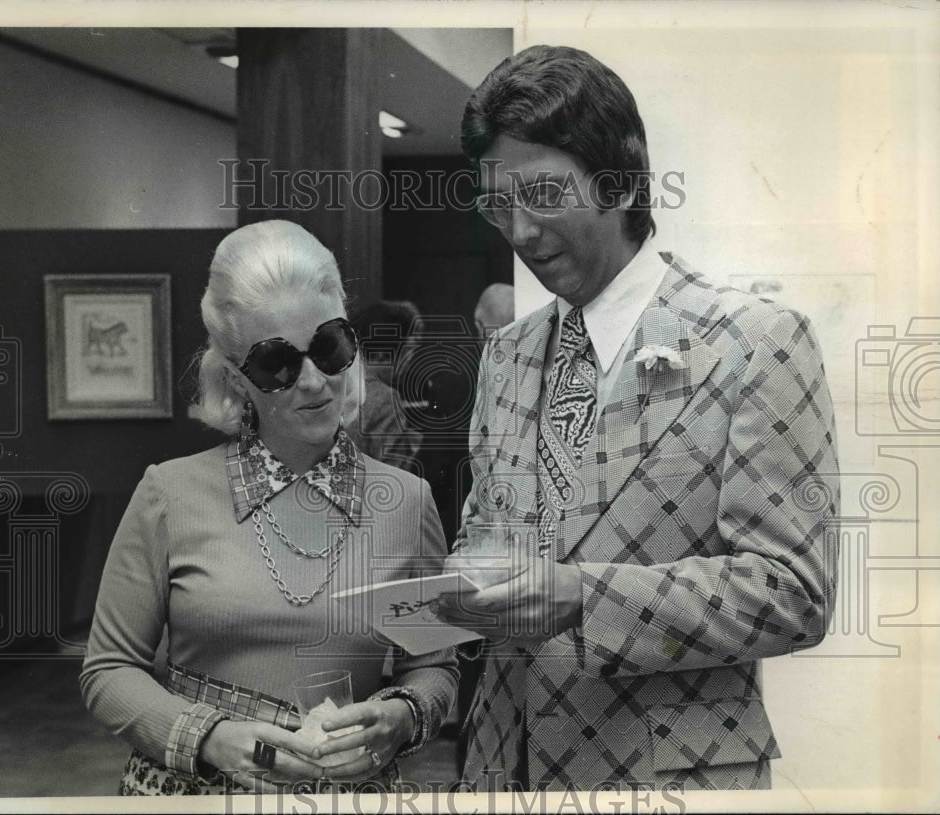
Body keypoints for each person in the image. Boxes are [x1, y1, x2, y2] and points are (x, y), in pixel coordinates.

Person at [437, 45, 839, 792]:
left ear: (620, 182)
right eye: (498, 205)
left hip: (667, 781)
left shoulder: (754, 344)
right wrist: (467, 579)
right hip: (499, 768)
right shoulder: (507, 355)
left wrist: (584, 596)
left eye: (544, 195)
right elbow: (485, 533)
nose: (519, 233)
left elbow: (794, 592)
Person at [80, 220, 458, 796]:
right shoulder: (169, 494)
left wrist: (401, 717)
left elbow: (435, 666)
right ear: (236, 378)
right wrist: (209, 738)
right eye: (278, 364)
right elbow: (108, 670)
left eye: (330, 347)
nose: (313, 381)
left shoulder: (406, 501)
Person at [343, 300, 423, 472]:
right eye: (409, 349)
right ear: (381, 355)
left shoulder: (334, 387)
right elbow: (395, 481)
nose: (411, 359)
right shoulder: (386, 400)